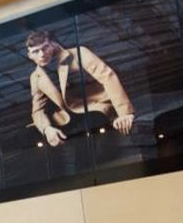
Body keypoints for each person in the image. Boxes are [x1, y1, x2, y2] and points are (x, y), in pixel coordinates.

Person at [25, 30, 136, 173]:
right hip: (66, 116)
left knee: (86, 130)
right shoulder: (36, 77)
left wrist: (124, 113)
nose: (42, 54)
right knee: (29, 136)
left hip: (93, 107)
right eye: (35, 51)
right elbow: (38, 110)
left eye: (45, 48)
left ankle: (85, 175)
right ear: (29, 55)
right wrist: (47, 129)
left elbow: (107, 76)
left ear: (52, 44)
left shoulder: (79, 54)